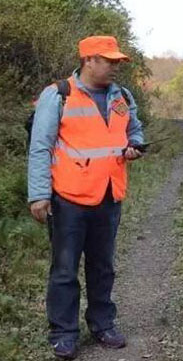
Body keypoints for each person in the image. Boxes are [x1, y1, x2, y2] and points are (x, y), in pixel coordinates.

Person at [27, 35, 145, 360]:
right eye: (109, 61)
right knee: (64, 270)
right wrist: (39, 195)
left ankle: (103, 324)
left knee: (103, 266)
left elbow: (134, 129)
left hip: (109, 195)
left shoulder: (122, 96)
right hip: (68, 199)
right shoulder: (58, 95)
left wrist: (135, 144)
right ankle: (64, 333)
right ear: (89, 60)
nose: (115, 67)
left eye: (118, 61)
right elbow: (41, 146)